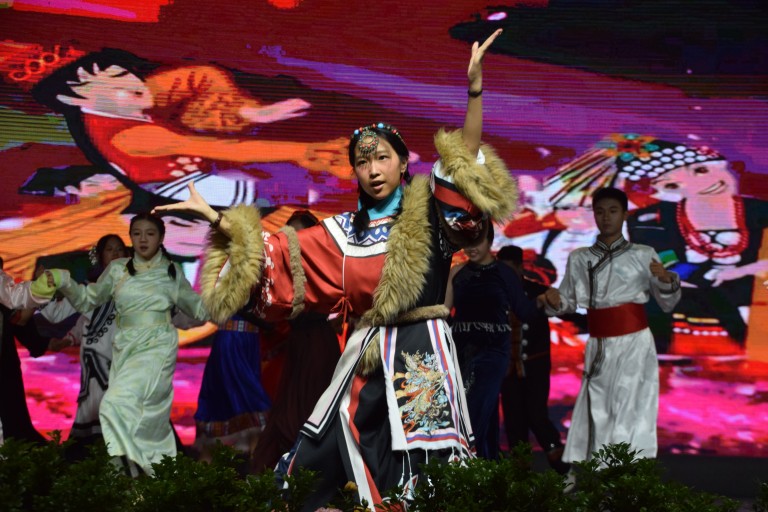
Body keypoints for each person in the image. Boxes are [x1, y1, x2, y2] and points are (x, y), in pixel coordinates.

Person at [154, 29, 513, 509]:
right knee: (325, 449)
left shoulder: (428, 214)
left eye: (382, 157)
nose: (373, 169)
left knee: (424, 467)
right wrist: (220, 221)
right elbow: (279, 255)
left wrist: (474, 92)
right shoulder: (342, 233)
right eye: (363, 162)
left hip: (421, 354)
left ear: (403, 162)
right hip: (366, 357)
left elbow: (463, 162)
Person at [44, 213, 210, 476]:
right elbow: (86, 305)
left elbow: (196, 312)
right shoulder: (115, 273)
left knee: (117, 408)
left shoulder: (170, 273)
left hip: (153, 351)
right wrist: (63, 283)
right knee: (117, 414)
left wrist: (222, 298)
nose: (143, 239)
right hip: (114, 355)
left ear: (161, 238)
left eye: (150, 234)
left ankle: (139, 475)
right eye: (137, 234)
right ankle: (134, 475)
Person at [541, 187, 681, 465]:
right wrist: (554, 301)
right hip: (599, 341)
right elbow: (568, 301)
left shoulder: (644, 254)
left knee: (632, 405)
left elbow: (667, 303)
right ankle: (599, 473)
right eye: (600, 212)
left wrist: (666, 280)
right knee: (598, 406)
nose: (606, 218)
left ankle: (630, 473)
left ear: (625, 215)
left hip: (635, 341)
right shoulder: (579, 257)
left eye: (613, 211)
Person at [250, 209, 342, 473]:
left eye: (300, 234)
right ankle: (282, 476)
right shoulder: (281, 269)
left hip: (318, 347)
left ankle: (310, 474)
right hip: (296, 345)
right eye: (289, 234)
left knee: (309, 412)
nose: (293, 239)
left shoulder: (323, 266)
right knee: (286, 414)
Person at [443, 225, 540, 460]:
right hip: (461, 351)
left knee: (474, 410)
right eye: (467, 241)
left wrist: (544, 300)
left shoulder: (505, 273)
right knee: (477, 412)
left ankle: (465, 463)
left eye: (477, 240)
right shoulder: (456, 272)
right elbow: (443, 312)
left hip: (494, 352)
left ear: (490, 240)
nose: (471, 247)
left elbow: (524, 311)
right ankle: (487, 464)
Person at [41, 234, 128, 455]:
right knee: (93, 415)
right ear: (100, 256)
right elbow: (63, 316)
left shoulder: (136, 287)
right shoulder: (88, 289)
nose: (116, 253)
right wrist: (43, 287)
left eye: (120, 249)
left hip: (125, 360)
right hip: (94, 361)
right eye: (110, 249)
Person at [496, 245, 569, 474]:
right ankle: (521, 475)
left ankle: (563, 468)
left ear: (520, 267)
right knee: (513, 421)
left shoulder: (538, 291)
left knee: (537, 416)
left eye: (510, 269)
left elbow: (566, 310)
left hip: (535, 366)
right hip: (508, 369)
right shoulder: (494, 293)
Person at [192, 310, 272, 463]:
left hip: (248, 341)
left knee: (250, 409)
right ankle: (255, 469)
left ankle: (255, 469)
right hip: (233, 342)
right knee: (251, 405)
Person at [0, 257, 53, 446]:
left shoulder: (5, 302)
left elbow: (20, 318)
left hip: (5, 371)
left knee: (14, 430)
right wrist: (38, 287)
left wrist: (38, 287)